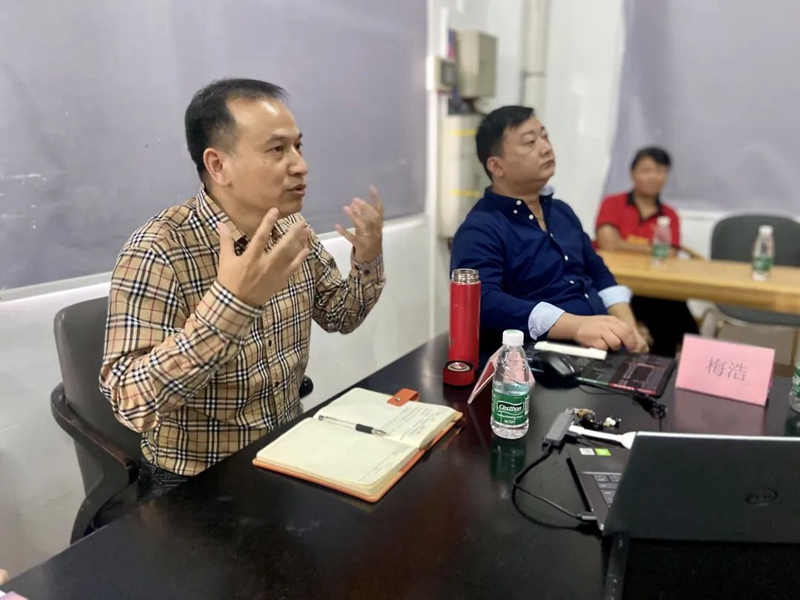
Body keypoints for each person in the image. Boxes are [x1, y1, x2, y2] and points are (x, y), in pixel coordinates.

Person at [100, 79, 386, 501]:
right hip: (195, 479)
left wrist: (367, 258)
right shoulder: (159, 248)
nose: (300, 165)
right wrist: (231, 306)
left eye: (298, 146)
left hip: (286, 448)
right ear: (218, 165)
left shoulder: (292, 230)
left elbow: (340, 315)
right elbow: (130, 402)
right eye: (277, 149)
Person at [450, 106, 648, 353]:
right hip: (544, 357)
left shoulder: (562, 212)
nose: (545, 148)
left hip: (604, 345)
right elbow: (483, 301)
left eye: (544, 136)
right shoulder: (480, 229)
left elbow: (598, 271)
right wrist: (576, 326)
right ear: (496, 166)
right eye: (530, 142)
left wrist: (628, 328)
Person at [595, 147, 699, 356]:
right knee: (672, 311)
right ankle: (683, 347)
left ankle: (664, 356)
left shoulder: (670, 214)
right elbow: (607, 242)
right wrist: (652, 248)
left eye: (660, 171)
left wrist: (622, 243)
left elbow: (670, 253)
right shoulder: (613, 203)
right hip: (614, 281)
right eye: (646, 170)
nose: (653, 177)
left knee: (668, 302)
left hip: (652, 285)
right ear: (632, 173)